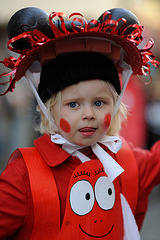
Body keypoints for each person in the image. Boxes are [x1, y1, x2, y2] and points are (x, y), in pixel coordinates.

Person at [0, 6, 159, 240]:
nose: (89, 114)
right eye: (73, 104)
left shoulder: (129, 162)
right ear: (48, 109)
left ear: (116, 106)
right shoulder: (23, 175)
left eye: (99, 102)